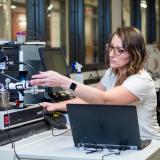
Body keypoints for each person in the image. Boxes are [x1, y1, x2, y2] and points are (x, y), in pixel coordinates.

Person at [30, 26, 160, 139]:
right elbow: (91, 98)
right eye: (111, 47)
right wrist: (56, 106)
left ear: (134, 53)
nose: (111, 54)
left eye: (119, 50)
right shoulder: (112, 72)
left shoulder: (141, 80)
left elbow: (104, 100)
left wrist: (65, 82)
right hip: (124, 140)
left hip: (148, 144)